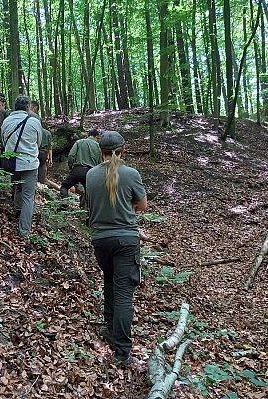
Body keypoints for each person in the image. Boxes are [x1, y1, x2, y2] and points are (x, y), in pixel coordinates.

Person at [85, 131, 148, 366]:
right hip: (126, 240)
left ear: (99, 151)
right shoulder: (131, 174)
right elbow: (142, 205)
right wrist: (125, 205)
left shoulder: (91, 175)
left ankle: (110, 330)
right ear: (124, 149)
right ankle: (122, 352)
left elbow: (91, 204)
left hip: (100, 240)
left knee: (109, 282)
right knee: (123, 293)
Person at [1, 95, 42, 237]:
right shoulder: (34, 121)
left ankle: (18, 213)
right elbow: (39, 142)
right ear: (27, 107)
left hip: (11, 162)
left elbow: (3, 141)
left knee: (17, 187)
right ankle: (24, 231)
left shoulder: (6, 121)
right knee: (28, 197)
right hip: (29, 163)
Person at [60, 128, 101, 198]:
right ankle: (86, 207)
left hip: (77, 169)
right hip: (90, 172)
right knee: (89, 193)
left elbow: (71, 155)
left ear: (88, 135)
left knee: (64, 187)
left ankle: (65, 205)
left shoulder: (79, 142)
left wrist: (71, 167)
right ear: (97, 136)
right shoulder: (98, 146)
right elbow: (100, 163)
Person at [29, 100, 53, 186]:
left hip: (36, 150)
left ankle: (35, 183)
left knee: (35, 167)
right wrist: (50, 158)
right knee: (42, 167)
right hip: (44, 153)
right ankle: (41, 182)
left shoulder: (32, 120)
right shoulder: (48, 133)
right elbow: (50, 147)